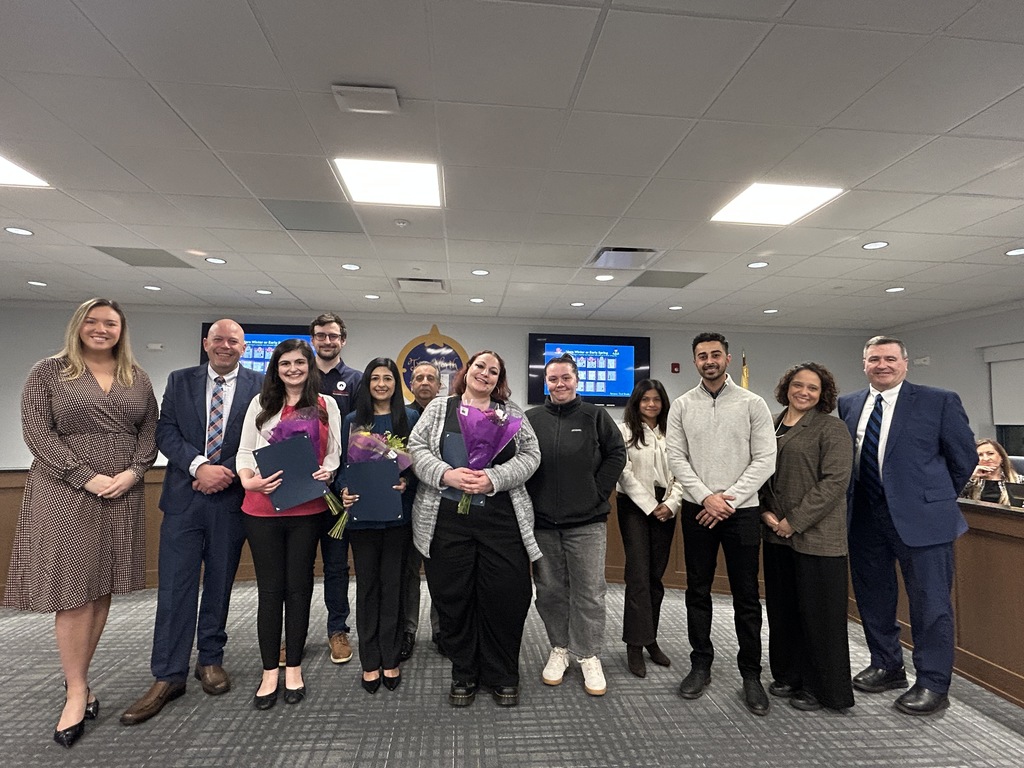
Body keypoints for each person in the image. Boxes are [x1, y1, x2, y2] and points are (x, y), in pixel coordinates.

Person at [3, 298, 158, 748]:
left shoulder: (136, 376)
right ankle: (75, 691)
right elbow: (37, 432)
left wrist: (132, 472)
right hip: (64, 488)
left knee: (101, 587)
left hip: (123, 490)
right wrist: (85, 476)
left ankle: (80, 678)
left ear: (121, 330)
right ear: (78, 325)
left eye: (110, 323)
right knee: (73, 592)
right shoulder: (48, 372)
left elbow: (149, 429)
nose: (101, 329)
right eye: (92, 321)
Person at [121, 320, 264, 726]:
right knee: (175, 587)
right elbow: (165, 432)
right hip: (185, 499)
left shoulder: (259, 385)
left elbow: (260, 440)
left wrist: (226, 473)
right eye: (218, 339)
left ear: (242, 346)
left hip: (232, 499)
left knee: (220, 583)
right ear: (206, 343)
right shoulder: (180, 380)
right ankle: (168, 674)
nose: (225, 346)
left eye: (233, 341)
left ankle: (211, 659)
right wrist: (200, 467)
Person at [839, 336, 975, 716]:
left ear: (905, 363)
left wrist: (930, 498)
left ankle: (933, 682)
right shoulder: (848, 403)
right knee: (873, 598)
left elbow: (962, 460)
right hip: (865, 516)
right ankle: (887, 665)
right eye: (874, 359)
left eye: (890, 359)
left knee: (930, 604)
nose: (882, 365)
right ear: (864, 364)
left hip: (924, 521)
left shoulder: (939, 400)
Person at [409, 350, 541, 707]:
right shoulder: (440, 408)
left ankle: (503, 674)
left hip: (501, 520)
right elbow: (416, 447)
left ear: (499, 380)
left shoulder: (511, 412)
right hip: (447, 520)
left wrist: (493, 478)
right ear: (467, 371)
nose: (485, 374)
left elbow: (531, 456)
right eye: (480, 366)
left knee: (507, 597)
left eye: (493, 371)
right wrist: (445, 474)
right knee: (454, 597)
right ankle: (464, 672)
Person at [666, 332, 776, 716]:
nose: (709, 361)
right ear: (695, 361)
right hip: (699, 511)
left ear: (728, 359)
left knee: (746, 595)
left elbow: (765, 459)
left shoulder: (753, 403)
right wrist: (707, 497)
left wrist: (727, 499)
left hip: (741, 512)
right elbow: (676, 458)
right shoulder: (681, 405)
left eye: (715, 354)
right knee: (697, 590)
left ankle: (751, 674)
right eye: (702, 356)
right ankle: (700, 665)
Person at [237, 339, 341, 710]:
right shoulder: (261, 404)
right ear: (276, 368)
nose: (293, 369)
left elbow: (333, 456)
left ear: (310, 367)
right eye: (285, 363)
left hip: (306, 509)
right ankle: (269, 672)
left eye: (300, 362)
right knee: (270, 591)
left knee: (298, 590)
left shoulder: (327, 406)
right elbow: (246, 450)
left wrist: (325, 473)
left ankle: (294, 667)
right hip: (261, 509)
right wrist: (248, 479)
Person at [526, 353, 626, 697]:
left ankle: (587, 654)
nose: (559, 384)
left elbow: (617, 454)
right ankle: (559, 648)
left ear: (577, 379)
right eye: (553, 379)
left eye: (565, 377)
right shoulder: (531, 418)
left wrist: (597, 492)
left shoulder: (596, 416)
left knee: (589, 592)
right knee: (551, 591)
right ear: (546, 382)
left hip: (587, 523)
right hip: (542, 524)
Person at [759, 362, 854, 712]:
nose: (803, 392)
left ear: (822, 394)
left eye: (812, 388)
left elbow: (834, 483)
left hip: (818, 538)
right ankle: (788, 674)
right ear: (786, 387)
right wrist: (766, 514)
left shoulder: (832, 429)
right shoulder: (770, 425)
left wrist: (793, 521)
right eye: (798, 385)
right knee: (784, 611)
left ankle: (822, 688)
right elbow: (759, 472)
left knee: (820, 616)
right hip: (775, 536)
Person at [338, 358, 419, 693]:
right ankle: (370, 660)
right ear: (367, 383)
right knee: (367, 587)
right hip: (363, 517)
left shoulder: (409, 418)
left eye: (388, 378)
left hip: (397, 516)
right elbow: (342, 464)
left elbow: (418, 463)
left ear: (395, 383)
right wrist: (343, 489)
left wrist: (406, 481)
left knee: (394, 587)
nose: (382, 384)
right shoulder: (353, 420)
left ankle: (391, 657)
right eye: (375, 378)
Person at [616, 379, 682, 679]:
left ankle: (650, 639)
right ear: (637, 402)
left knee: (655, 576)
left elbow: (683, 470)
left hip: (666, 506)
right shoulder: (624, 430)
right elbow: (623, 472)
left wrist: (672, 503)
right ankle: (634, 644)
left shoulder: (674, 431)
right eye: (646, 400)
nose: (651, 405)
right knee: (638, 575)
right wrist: (648, 505)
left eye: (656, 400)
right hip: (634, 505)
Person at [309, 312, 361, 666]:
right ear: (312, 338)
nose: (327, 341)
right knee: (294, 568)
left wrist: (343, 483)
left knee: (336, 565)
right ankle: (291, 633)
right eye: (321, 335)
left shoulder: (356, 382)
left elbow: (360, 440)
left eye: (333, 336)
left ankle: (337, 629)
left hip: (337, 492)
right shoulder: (296, 375)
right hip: (296, 488)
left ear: (343, 340)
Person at [400, 360, 443, 660]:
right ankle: (407, 630)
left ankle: (443, 631)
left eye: (431, 378)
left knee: (442, 572)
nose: (425, 382)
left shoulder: (451, 413)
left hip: (440, 503)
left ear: (440, 385)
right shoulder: (399, 416)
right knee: (408, 571)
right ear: (411, 384)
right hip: (405, 502)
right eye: (419, 378)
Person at [961, 438, 1020, 505]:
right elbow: (956, 499)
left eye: (990, 453)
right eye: (980, 455)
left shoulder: (1018, 481)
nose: (985, 458)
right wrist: (972, 477)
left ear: (1001, 457)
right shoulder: (970, 480)